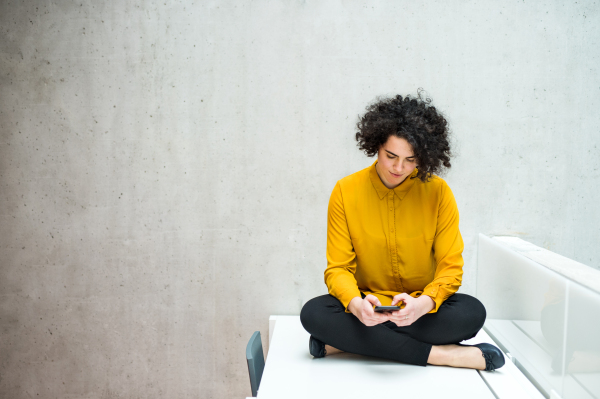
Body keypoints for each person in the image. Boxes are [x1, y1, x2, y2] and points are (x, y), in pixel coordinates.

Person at [300, 92, 505, 371]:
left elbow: (450, 268)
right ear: (376, 146)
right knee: (315, 314)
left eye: (411, 159)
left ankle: (341, 343)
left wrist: (423, 304)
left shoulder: (439, 193)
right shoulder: (345, 192)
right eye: (391, 156)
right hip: (367, 309)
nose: (399, 168)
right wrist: (357, 304)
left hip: (420, 310)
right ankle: (444, 355)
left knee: (471, 313)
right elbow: (337, 269)